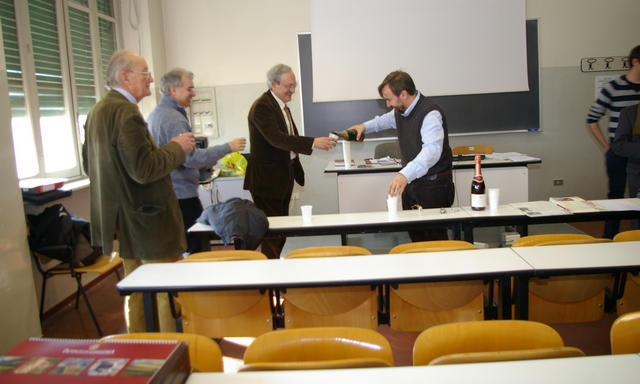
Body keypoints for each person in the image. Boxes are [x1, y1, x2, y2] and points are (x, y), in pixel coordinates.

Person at [82, 51, 195, 333]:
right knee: (164, 291)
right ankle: (173, 354)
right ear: (125, 76)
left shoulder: (99, 110)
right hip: (148, 220)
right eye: (144, 72)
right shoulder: (126, 113)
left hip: (127, 220)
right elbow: (144, 169)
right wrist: (176, 147)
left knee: (137, 289)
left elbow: (89, 165)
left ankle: (142, 349)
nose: (150, 78)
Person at [147, 68, 246, 254]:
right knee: (197, 249)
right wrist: (228, 147)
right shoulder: (174, 119)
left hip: (169, 193)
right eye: (189, 89)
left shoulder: (156, 115)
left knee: (181, 247)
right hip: (181, 196)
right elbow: (190, 159)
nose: (193, 94)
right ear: (173, 90)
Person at [244, 64, 337, 258]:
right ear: (274, 84)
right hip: (267, 180)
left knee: (280, 229)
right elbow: (277, 139)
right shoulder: (262, 106)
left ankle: (275, 268)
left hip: (282, 176)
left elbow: (289, 138)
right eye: (289, 86)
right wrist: (313, 143)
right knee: (271, 232)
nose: (293, 90)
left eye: (294, 85)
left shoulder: (280, 106)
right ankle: (271, 276)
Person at [349, 70, 454, 242]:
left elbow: (432, 151)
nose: (388, 104)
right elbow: (384, 120)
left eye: (389, 99)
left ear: (403, 94)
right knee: (416, 235)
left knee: (435, 239)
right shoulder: (401, 110)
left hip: (433, 185)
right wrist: (364, 127)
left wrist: (404, 174)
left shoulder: (430, 114)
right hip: (413, 182)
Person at [587, 45, 640, 238]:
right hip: (619, 151)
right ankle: (609, 237)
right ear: (636, 62)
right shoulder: (614, 87)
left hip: (638, 153)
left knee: (637, 198)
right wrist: (607, 146)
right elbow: (592, 118)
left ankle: (636, 237)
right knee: (616, 195)